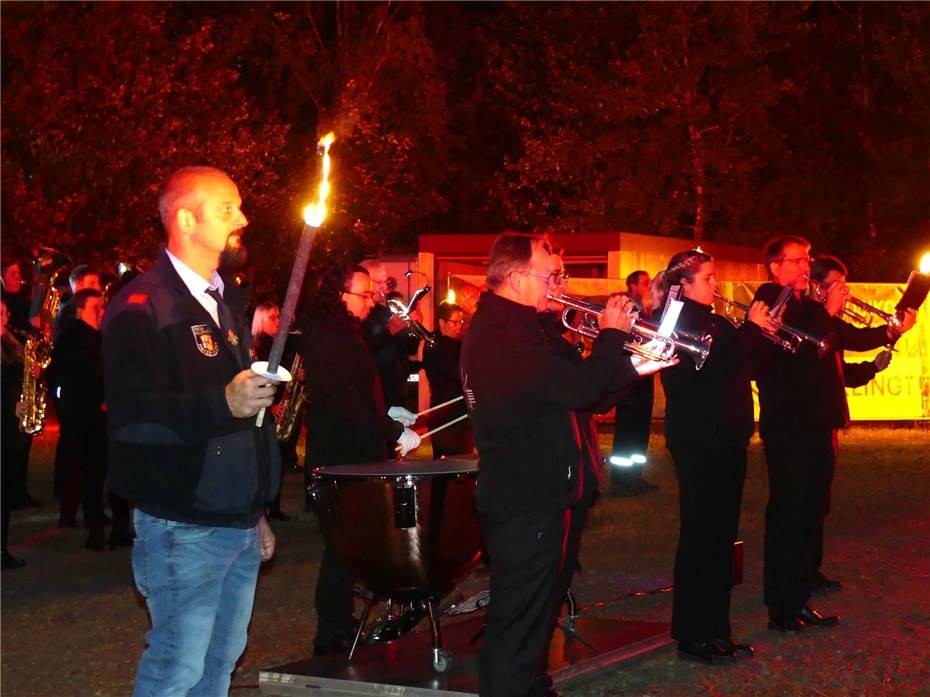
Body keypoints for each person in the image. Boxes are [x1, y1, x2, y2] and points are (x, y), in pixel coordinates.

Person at [460, 232, 672, 697]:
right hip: (528, 497)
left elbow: (582, 395)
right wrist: (613, 334)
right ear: (515, 278)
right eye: (546, 275)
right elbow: (578, 389)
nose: (555, 285)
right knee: (517, 623)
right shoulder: (502, 335)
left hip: (550, 493)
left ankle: (533, 686)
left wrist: (637, 368)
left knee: (538, 615)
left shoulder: (525, 327)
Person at [102, 166, 280, 696]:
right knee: (176, 669)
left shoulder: (222, 301)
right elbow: (134, 418)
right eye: (227, 209)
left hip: (235, 522)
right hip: (183, 525)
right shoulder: (143, 306)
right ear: (185, 218)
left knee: (219, 666)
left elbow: (241, 425)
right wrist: (222, 400)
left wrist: (257, 512)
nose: (242, 219)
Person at [752, 236, 916, 634]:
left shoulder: (810, 306)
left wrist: (893, 332)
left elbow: (845, 338)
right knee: (789, 514)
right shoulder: (772, 298)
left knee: (810, 512)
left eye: (806, 259)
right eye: (795, 260)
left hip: (817, 422)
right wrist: (827, 309)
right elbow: (799, 351)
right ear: (775, 266)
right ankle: (782, 606)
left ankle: (800, 595)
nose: (804, 266)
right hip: (790, 424)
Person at [659, 250, 778, 663]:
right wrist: (750, 330)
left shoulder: (714, 318)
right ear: (685, 283)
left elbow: (740, 363)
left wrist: (759, 334)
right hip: (700, 441)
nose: (716, 285)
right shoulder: (677, 319)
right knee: (702, 536)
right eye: (708, 278)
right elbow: (708, 366)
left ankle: (716, 629)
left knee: (721, 539)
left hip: (726, 438)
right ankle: (694, 634)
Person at [298, 262, 421, 657]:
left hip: (352, 451)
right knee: (341, 546)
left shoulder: (343, 331)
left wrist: (388, 414)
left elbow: (357, 391)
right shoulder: (328, 333)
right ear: (340, 294)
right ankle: (331, 633)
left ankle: (339, 622)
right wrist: (390, 431)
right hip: (342, 457)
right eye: (364, 294)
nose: (372, 302)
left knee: (349, 546)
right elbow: (345, 403)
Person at [805, 254, 914, 594]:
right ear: (816, 286)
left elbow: (848, 354)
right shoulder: (808, 318)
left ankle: (811, 569)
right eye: (835, 286)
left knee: (819, 501)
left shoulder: (828, 321)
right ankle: (801, 573)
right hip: (805, 420)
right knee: (804, 501)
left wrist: (890, 336)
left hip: (829, 418)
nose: (844, 293)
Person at [50, 289, 113, 550]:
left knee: (94, 470)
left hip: (88, 413)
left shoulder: (93, 337)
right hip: (83, 414)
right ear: (80, 310)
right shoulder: (76, 338)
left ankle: (92, 517)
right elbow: (76, 374)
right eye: (95, 308)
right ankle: (91, 525)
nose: (100, 312)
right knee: (88, 468)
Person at [610, 270, 659, 496]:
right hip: (629, 376)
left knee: (640, 428)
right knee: (627, 429)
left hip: (643, 376)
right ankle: (621, 481)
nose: (648, 286)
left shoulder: (646, 307)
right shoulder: (626, 305)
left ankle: (635, 476)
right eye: (644, 282)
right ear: (632, 285)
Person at [359, 259, 422, 410]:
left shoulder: (386, 311)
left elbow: (409, 349)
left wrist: (414, 327)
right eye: (379, 282)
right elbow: (363, 348)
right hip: (374, 390)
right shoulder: (358, 313)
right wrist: (390, 330)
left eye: (385, 281)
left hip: (397, 389)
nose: (385, 287)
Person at [421, 301, 473, 457]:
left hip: (455, 413)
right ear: (442, 322)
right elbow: (457, 376)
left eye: (461, 322)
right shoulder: (437, 345)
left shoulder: (447, 344)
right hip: (446, 413)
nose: (459, 327)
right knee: (449, 465)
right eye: (455, 322)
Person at [1, 299, 30, 570]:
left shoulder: (11, 343)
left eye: (4, 311)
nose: (4, 316)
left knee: (5, 493)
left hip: (9, 428)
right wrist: (11, 404)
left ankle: (2, 548)